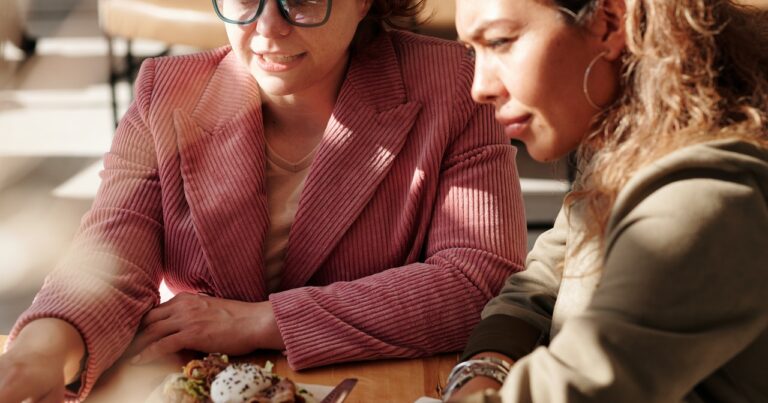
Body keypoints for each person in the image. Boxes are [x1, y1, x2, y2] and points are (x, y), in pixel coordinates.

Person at [0, 0, 529, 401]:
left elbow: (477, 279)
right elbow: (109, 258)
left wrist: (259, 321)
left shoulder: (453, 86)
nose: (268, 27)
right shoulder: (165, 93)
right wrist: (40, 351)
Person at [444, 0, 768, 401]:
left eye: (500, 41)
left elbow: (583, 388)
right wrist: (484, 367)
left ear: (609, 23)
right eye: (473, 51)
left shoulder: (701, 198)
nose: (480, 87)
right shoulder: (621, 151)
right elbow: (546, 279)